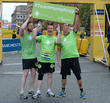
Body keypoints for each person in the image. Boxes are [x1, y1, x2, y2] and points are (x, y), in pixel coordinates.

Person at [57, 8, 86, 99]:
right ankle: (63, 91)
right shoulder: (60, 37)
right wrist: (58, 61)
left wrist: (77, 14)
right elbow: (58, 50)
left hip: (74, 58)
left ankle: (82, 92)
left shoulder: (73, 34)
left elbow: (76, 25)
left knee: (78, 76)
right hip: (64, 59)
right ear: (62, 29)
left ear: (69, 28)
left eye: (67, 27)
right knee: (63, 77)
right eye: (64, 28)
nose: (65, 29)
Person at [32, 22, 61, 99]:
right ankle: (38, 91)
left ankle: (49, 90)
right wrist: (37, 28)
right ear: (46, 29)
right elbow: (34, 37)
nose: (50, 30)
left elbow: (58, 42)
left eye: (51, 28)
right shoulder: (42, 37)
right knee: (40, 76)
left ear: (53, 29)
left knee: (50, 75)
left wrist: (59, 31)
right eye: (49, 28)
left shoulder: (54, 38)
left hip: (50, 61)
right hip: (42, 61)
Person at [19, 14, 41, 99]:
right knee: (25, 73)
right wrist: (28, 18)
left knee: (34, 72)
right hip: (26, 57)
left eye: (32, 25)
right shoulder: (22, 34)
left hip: (33, 57)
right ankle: (21, 91)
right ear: (27, 26)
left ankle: (31, 89)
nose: (32, 27)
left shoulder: (33, 32)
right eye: (30, 25)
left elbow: (39, 27)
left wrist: (39, 25)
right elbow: (21, 28)